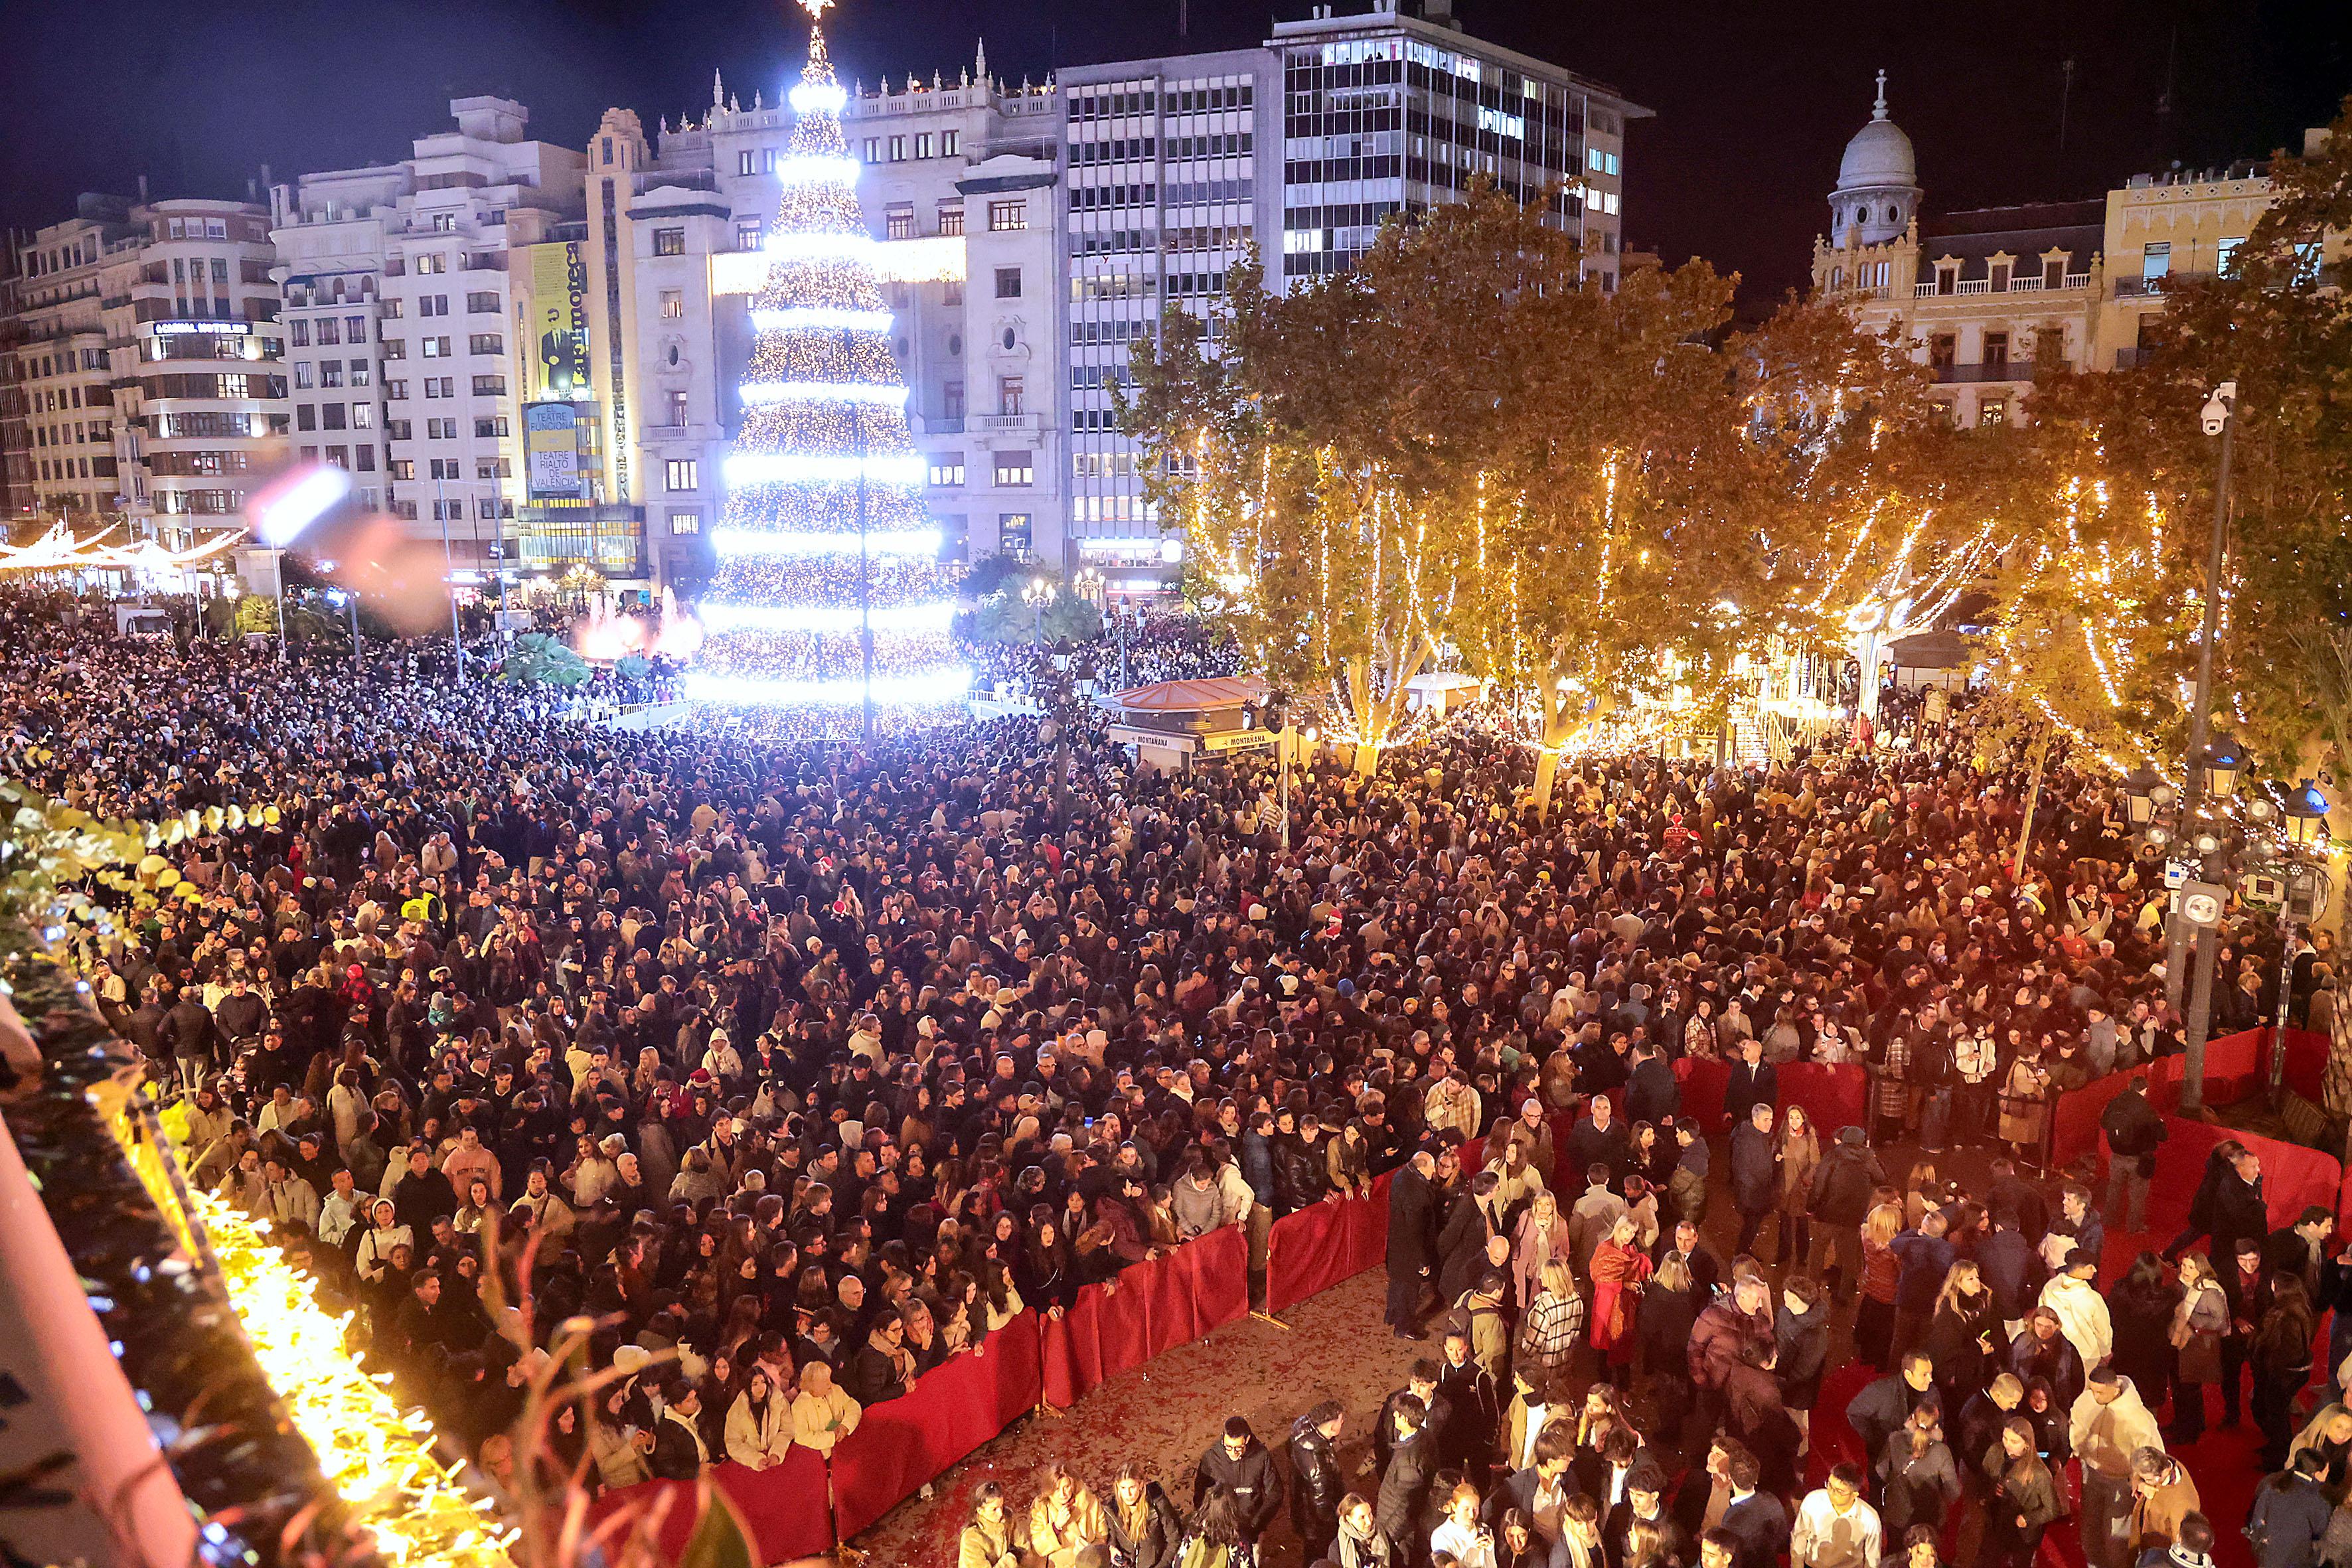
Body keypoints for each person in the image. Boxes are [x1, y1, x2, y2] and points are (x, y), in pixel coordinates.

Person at [2071, 1366, 2165, 1568]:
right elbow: (2076, 1426)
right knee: (2090, 1529)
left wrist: (2141, 1478)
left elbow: (2152, 1453)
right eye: (2092, 1390)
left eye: (2100, 1392)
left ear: (2114, 1390)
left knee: (2115, 1536)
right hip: (2092, 1474)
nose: (2094, 1396)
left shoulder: (2137, 1417)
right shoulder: (2087, 1401)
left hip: (2121, 1482)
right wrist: (2079, 1451)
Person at [1980, 1417, 2062, 1568]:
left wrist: (2028, 1518)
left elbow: (2053, 1509)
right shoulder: (1995, 1452)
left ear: (2027, 1444)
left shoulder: (2039, 1473)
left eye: (2014, 1442)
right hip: (1996, 1524)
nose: (2007, 1445)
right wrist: (1990, 1492)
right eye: (2005, 1438)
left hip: (2022, 1535)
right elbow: (1983, 1478)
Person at [1192, 1417, 1283, 1547]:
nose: (1233, 1453)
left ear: (1247, 1439)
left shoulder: (1262, 1456)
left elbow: (1275, 1492)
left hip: (1251, 1528)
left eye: (1238, 1447)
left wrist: (1256, 1524)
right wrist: (1208, 1522)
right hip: (1221, 1529)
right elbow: (1200, 1494)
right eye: (1228, 1447)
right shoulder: (1211, 1458)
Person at [2170, 1251, 2228, 1445]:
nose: (2185, 1271)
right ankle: (2186, 1423)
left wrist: (2190, 1318)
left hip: (2199, 1344)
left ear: (2201, 1269)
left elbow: (2219, 1321)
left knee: (2189, 1387)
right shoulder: (2184, 1285)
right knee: (2183, 1385)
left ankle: (2189, 1431)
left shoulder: (2209, 1292)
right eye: (2184, 1266)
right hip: (2186, 1341)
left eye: (2191, 1267)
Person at [2247, 1449, 2334, 1568]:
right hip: (2296, 1561)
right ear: (2317, 1474)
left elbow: (2255, 1518)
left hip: (2265, 1553)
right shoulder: (2318, 1500)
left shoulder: (2272, 1481)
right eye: (2326, 1471)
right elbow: (2321, 1530)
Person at [1387, 1149, 1442, 1338]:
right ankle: (1404, 1327)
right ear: (1422, 1168)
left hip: (1397, 1245)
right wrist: (1422, 1262)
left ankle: (1392, 1315)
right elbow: (1416, 1232)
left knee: (1397, 1283)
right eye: (1432, 1167)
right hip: (1410, 1252)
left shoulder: (1402, 1175)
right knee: (1409, 1290)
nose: (1434, 1171)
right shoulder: (1416, 1193)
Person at [1788, 1464, 1881, 1568]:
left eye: (1839, 1491)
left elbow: (1872, 1559)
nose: (1831, 1493)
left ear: (1854, 1494)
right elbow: (1799, 1537)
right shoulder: (1813, 1501)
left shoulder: (1869, 1519)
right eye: (1829, 1485)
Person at [1289, 1400, 1347, 1563]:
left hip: (1303, 1511)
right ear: (1331, 1428)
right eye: (1341, 1421)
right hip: (1317, 1527)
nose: (1343, 1423)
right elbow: (1322, 1505)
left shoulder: (1302, 1429)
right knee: (1319, 1556)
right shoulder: (1318, 1463)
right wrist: (1338, 1522)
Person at [1375, 1395, 1434, 1552]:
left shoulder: (1408, 1463)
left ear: (1405, 1420)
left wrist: (1388, 1536)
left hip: (1396, 1526)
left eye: (1397, 1414)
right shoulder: (1424, 1434)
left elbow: (1407, 1507)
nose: (1394, 1415)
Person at [2124, 1449, 2200, 1562]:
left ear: (2163, 1473)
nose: (2145, 1481)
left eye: (2148, 1479)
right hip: (2146, 1537)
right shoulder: (2164, 1463)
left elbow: (2179, 1546)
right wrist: (2139, 1484)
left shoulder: (2180, 1505)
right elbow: (2136, 1475)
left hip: (2159, 1553)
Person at [1030, 1461, 1109, 1568]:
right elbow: (1038, 1547)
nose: (1063, 1494)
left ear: (1072, 1484)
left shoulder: (1091, 1502)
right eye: (1057, 1489)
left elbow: (1102, 1538)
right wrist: (1056, 1527)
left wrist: (1088, 1553)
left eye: (1066, 1487)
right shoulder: (1042, 1507)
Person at [721, 1366, 791, 1470]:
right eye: (755, 1384)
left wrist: (776, 1453)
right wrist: (755, 1460)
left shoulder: (778, 1400)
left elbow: (787, 1430)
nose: (761, 1387)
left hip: (776, 1461)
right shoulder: (738, 1410)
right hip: (750, 1466)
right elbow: (733, 1442)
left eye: (763, 1382)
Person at [789, 1360, 862, 1457]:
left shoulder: (836, 1390)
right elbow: (802, 1437)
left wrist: (846, 1426)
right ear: (812, 1385)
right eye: (825, 1381)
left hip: (846, 1448)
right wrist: (833, 1437)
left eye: (829, 1379)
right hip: (820, 1458)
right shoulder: (799, 1406)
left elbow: (853, 1406)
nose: (830, 1384)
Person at [960, 1481, 1028, 1568]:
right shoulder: (971, 1538)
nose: (1000, 1513)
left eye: (1002, 1507)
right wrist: (1011, 1559)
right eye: (994, 1509)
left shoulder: (1007, 1518)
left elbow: (1023, 1547)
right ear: (980, 1511)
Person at [1333, 1492, 1398, 1568]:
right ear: (1349, 1519)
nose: (1369, 1522)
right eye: (1362, 1517)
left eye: (1370, 1514)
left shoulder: (1384, 1535)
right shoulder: (1337, 1548)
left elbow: (1399, 1563)